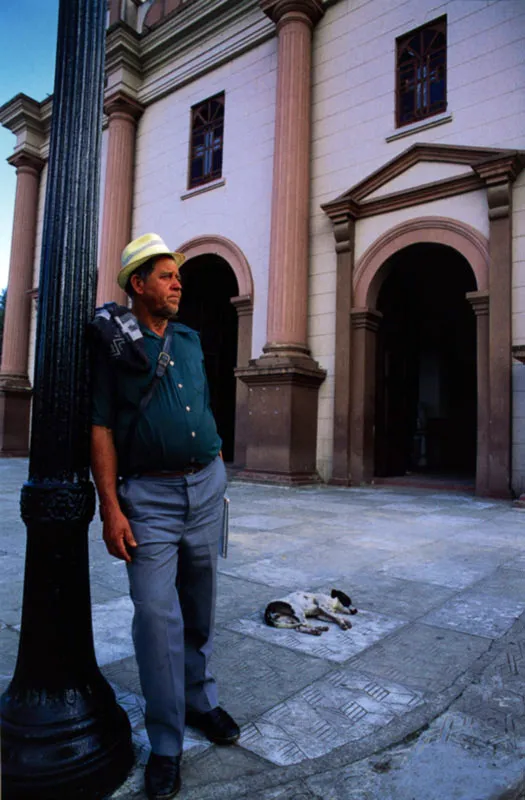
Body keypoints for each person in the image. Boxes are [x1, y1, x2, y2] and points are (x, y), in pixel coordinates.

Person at [90, 233, 240, 800]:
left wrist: (217, 457)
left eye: (178, 275)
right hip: (147, 501)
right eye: (166, 275)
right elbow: (100, 427)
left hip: (204, 489)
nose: (178, 283)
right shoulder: (114, 347)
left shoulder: (191, 339)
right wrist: (111, 509)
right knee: (157, 617)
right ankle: (167, 743)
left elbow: (201, 401)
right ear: (138, 284)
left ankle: (201, 702)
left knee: (199, 605)